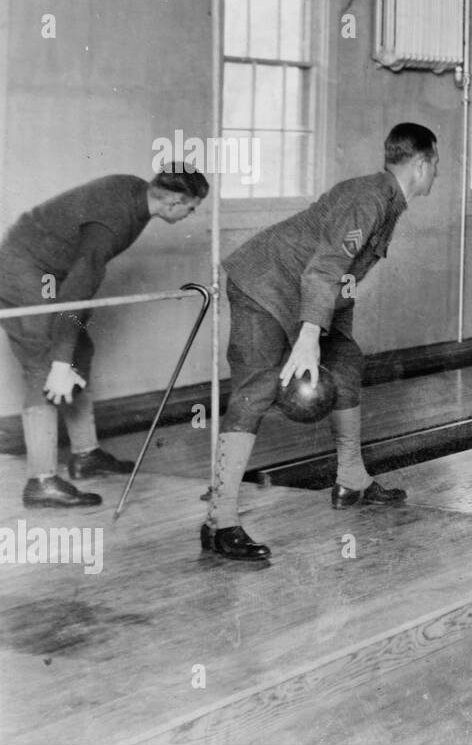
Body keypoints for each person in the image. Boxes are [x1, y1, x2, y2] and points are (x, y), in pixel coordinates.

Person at [202, 123, 439, 562]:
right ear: (422, 164)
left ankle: (352, 479)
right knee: (258, 389)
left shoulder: (386, 199)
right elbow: (322, 270)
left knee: (346, 361)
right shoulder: (370, 198)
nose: (435, 174)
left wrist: (329, 329)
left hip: (305, 290)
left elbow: (342, 274)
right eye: (436, 165)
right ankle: (221, 520)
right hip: (263, 283)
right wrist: (309, 337)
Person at [0, 168, 209, 507]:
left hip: (51, 271)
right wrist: (58, 361)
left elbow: (80, 280)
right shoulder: (112, 222)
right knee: (45, 363)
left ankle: (85, 455)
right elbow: (78, 288)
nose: (191, 214)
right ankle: (41, 482)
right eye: (192, 207)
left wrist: (68, 353)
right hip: (22, 267)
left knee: (78, 352)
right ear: (174, 200)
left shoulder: (135, 193)